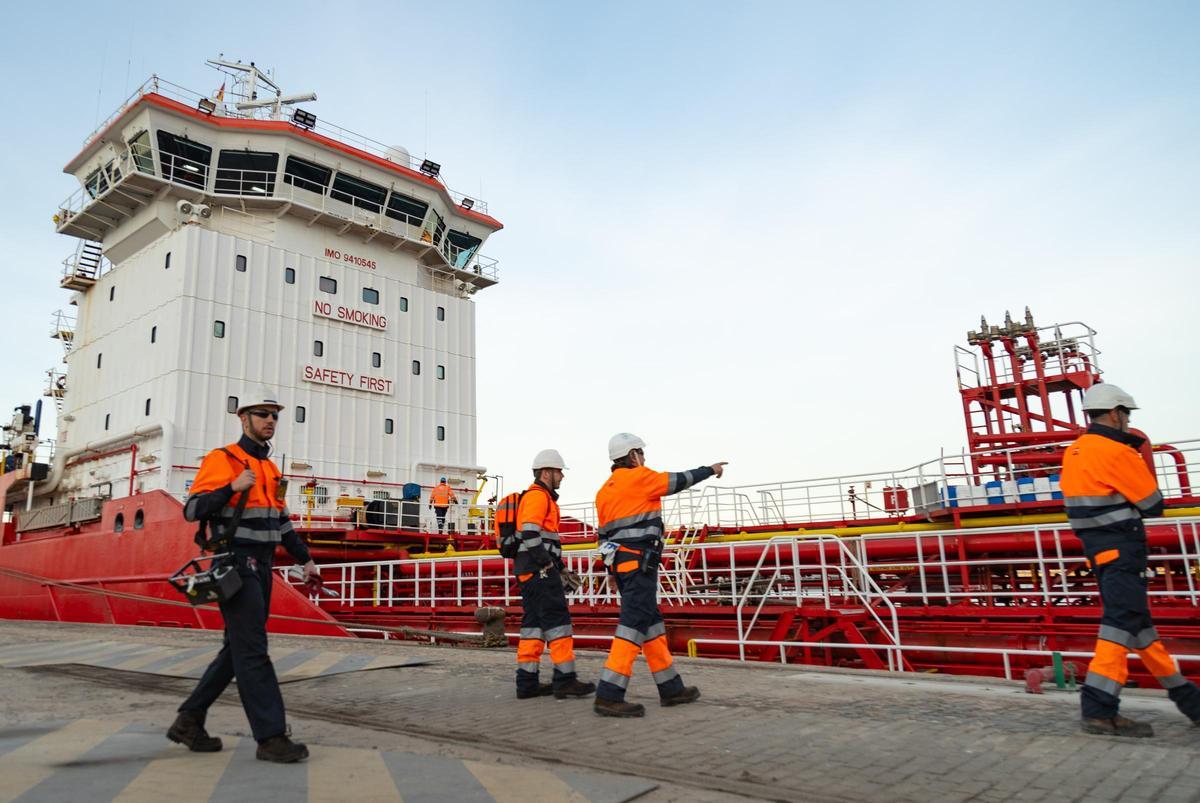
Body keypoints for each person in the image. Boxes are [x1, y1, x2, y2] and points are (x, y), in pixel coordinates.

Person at [168, 387, 319, 763]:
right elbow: (192, 510)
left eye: (274, 415)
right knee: (252, 650)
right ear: (243, 419)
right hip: (235, 563)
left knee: (237, 649)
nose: (269, 421)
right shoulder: (224, 460)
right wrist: (230, 488)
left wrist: (307, 560)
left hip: (262, 565)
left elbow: (280, 522)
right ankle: (270, 737)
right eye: (262, 414)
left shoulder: (269, 469)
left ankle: (189, 719)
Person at [1062, 383, 1200, 737]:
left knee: (1140, 629)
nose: (1127, 421)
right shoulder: (1117, 452)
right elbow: (1153, 503)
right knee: (1119, 626)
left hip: (1099, 552)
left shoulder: (1075, 452)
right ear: (1114, 413)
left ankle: (1189, 701)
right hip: (1125, 552)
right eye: (1126, 414)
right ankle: (1098, 708)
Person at [593, 433, 726, 717]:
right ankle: (608, 694)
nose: (644, 458)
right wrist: (710, 470)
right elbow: (678, 481)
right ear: (632, 456)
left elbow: (603, 538)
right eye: (641, 453)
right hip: (641, 564)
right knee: (632, 625)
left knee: (651, 625)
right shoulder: (640, 477)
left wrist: (610, 570)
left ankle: (671, 688)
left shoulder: (603, 492)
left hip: (624, 566)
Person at [513, 449, 596, 700]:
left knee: (534, 627)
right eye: (559, 471)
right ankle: (565, 680)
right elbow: (530, 534)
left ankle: (526, 684)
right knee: (559, 623)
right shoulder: (538, 497)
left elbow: (543, 540)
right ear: (546, 472)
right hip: (538, 572)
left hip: (530, 571)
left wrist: (559, 567)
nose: (562, 476)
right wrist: (548, 567)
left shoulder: (540, 498)